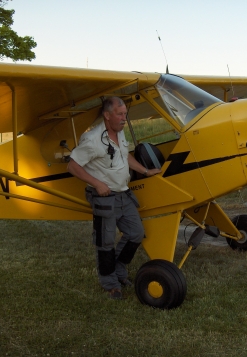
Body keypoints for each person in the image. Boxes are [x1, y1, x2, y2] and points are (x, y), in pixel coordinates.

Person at [68, 96, 161, 300]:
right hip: (104, 196)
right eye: (120, 114)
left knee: (136, 233)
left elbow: (124, 154)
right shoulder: (92, 140)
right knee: (106, 242)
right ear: (107, 115)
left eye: (125, 114)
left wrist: (145, 171)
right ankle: (111, 283)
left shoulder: (119, 133)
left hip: (123, 193)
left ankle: (118, 269)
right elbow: (72, 165)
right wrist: (98, 183)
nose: (124, 118)